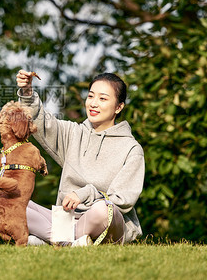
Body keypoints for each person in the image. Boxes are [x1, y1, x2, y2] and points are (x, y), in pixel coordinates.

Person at [16, 70, 145, 245]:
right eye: (91, 96)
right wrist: (27, 93)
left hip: (104, 221)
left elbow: (122, 200)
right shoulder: (74, 133)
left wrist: (85, 193)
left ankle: (54, 239)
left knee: (104, 210)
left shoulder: (131, 149)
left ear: (118, 107)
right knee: (9, 202)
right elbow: (42, 122)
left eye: (103, 99)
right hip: (66, 218)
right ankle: (72, 241)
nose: (93, 103)